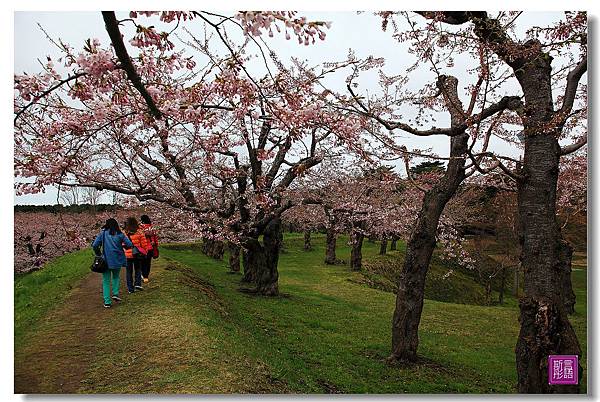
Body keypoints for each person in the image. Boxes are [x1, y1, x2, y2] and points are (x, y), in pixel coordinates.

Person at [92, 218, 133, 308]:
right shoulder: (120, 234)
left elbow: (95, 245)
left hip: (106, 260)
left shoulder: (103, 233)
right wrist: (123, 246)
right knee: (116, 277)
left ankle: (107, 302)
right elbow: (130, 244)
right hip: (117, 259)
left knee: (106, 281)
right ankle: (115, 293)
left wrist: (98, 253)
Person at [123, 217, 150, 293]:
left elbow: (122, 244)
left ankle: (130, 288)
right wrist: (145, 251)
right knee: (138, 269)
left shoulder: (125, 233)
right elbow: (144, 244)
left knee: (129, 271)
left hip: (128, 255)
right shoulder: (139, 232)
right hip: (137, 254)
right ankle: (138, 283)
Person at [139, 214, 158, 283]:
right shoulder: (152, 227)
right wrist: (155, 245)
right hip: (150, 248)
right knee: (148, 262)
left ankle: (142, 275)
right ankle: (146, 276)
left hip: (143, 248)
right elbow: (155, 237)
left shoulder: (140, 227)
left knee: (142, 262)